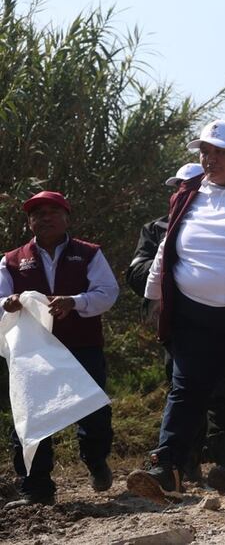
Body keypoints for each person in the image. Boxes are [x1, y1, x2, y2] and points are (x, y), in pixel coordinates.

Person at [126, 120, 225, 503]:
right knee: (186, 390)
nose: (209, 159)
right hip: (195, 315)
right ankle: (166, 467)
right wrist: (155, 298)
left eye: (219, 152)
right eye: (204, 151)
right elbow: (168, 248)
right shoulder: (188, 192)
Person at [125, 162, 225, 493]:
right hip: (178, 326)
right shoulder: (156, 228)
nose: (184, 190)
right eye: (178, 186)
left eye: (189, 184)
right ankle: (179, 467)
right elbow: (136, 274)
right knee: (182, 391)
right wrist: (175, 272)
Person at [1, 191, 119, 508]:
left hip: (82, 346)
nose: (46, 217)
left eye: (53, 211)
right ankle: (36, 488)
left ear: (67, 217)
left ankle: (95, 461)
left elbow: (107, 293)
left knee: (95, 416)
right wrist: (8, 303)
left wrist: (75, 302)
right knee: (30, 420)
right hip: (33, 354)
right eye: (38, 213)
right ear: (29, 222)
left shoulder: (89, 253)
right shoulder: (11, 260)